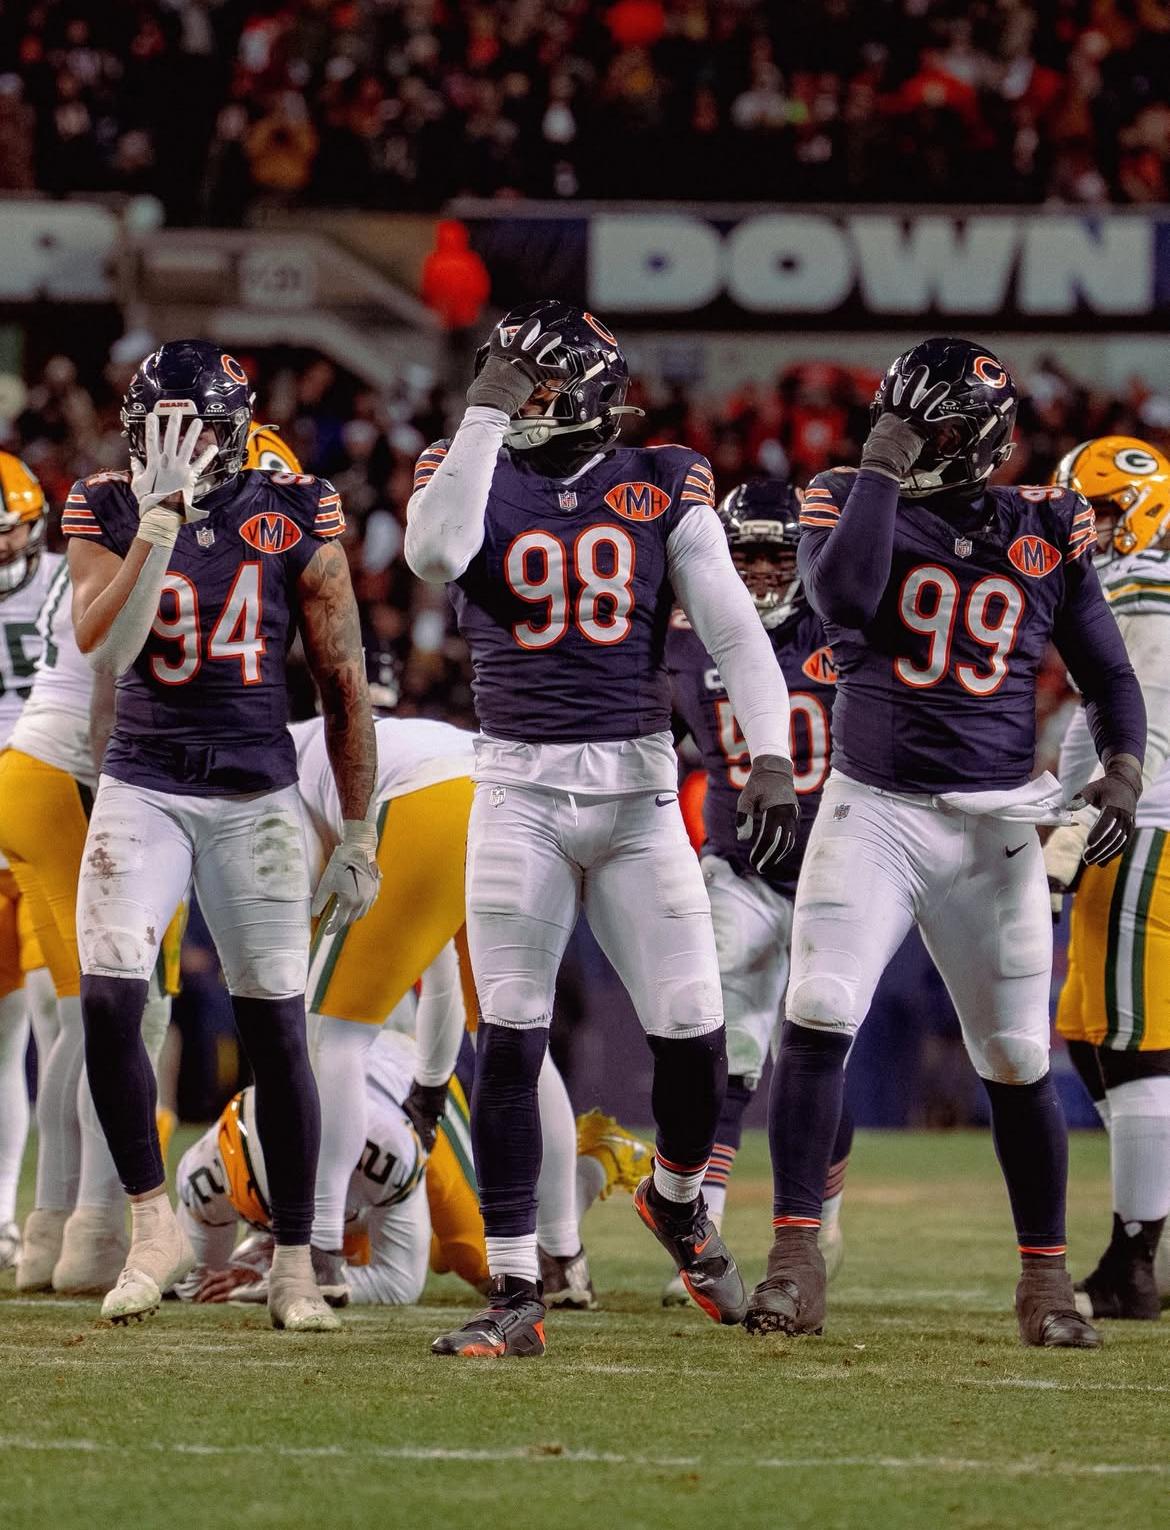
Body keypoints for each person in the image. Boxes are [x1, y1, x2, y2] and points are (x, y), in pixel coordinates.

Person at [405, 300, 797, 1358]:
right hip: (517, 788)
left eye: (526, 380)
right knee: (510, 1036)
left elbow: (730, 625)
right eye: (500, 376)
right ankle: (517, 1289)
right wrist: (485, 416)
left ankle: (675, 1197)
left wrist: (768, 753)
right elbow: (433, 555)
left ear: (578, 391)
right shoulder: (466, 466)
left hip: (636, 793)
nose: (507, 393)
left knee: (698, 1037)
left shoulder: (663, 477)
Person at [744, 337, 1145, 1349]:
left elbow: (1107, 675)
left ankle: (1046, 1283)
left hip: (995, 825)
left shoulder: (1046, 523)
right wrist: (882, 467)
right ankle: (794, 1259)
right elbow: (841, 599)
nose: (899, 434)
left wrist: (1125, 766)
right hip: (874, 808)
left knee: (1014, 1055)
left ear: (974, 439)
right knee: (818, 1007)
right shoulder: (846, 496)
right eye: (893, 415)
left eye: (921, 425)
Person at [63, 340, 378, 1331]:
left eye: (192, 429)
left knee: (277, 1026)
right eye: (158, 428)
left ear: (235, 431)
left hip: (254, 793)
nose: (175, 446)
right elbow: (105, 646)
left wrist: (359, 829)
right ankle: (151, 1227)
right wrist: (157, 525)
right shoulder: (107, 504)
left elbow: (341, 679)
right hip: (145, 781)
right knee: (108, 998)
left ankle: (292, 1261)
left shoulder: (295, 508)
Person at [292, 709, 649, 1309]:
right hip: (510, 802)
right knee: (512, 1036)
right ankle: (563, 1256)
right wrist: (431, 1083)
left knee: (334, 1031)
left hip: (430, 800)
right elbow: (437, 966)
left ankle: (319, 1247)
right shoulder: (354, 741)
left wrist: (431, 1081)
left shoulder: (275, 772)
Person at [662, 478, 853, 1303]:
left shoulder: (844, 628)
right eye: (747, 554)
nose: (765, 570)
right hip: (738, 869)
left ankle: (822, 1218)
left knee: (820, 1043)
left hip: (837, 872)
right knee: (726, 1051)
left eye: (780, 554)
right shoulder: (683, 638)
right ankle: (700, 1228)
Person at [0, 497, 185, 1294]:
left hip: (31, 772)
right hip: (76, 775)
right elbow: (111, 689)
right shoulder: (153, 549)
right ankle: (96, 1235)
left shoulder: (93, 553)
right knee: (127, 1017)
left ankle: (51, 1234)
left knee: (81, 1022)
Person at [1045, 436, 1170, 1321]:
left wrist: (1073, 828)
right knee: (1089, 1032)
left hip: (1144, 827)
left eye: (1101, 512)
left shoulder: (1146, 587)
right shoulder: (1122, 586)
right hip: (1123, 826)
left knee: (1131, 1042)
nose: (1084, 528)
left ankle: (1134, 1258)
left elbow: (1141, 726)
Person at [0, 451, 54, 1271]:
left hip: (48, 824)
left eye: (11, 533)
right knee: (7, 1035)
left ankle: (60, 1213)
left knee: (62, 1024)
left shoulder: (69, 578)